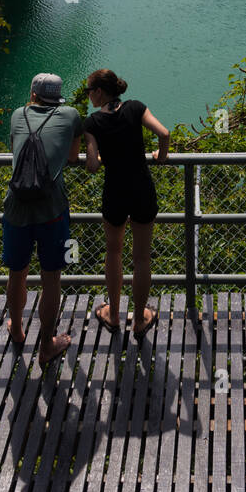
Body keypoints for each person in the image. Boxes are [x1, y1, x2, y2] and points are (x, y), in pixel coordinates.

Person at [2, 72, 84, 365]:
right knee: (51, 277)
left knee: (17, 272)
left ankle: (18, 331)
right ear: (58, 96)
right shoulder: (71, 115)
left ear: (33, 94)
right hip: (52, 210)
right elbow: (73, 157)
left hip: (16, 208)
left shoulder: (17, 114)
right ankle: (47, 345)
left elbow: (15, 151)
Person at [82, 69, 170, 340]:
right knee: (142, 257)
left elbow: (94, 165)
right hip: (141, 188)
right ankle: (141, 320)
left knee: (114, 252)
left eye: (89, 91)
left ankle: (114, 315)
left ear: (99, 92)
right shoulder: (135, 108)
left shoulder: (92, 123)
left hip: (115, 192)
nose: (88, 96)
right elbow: (164, 134)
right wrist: (161, 157)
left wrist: (88, 152)